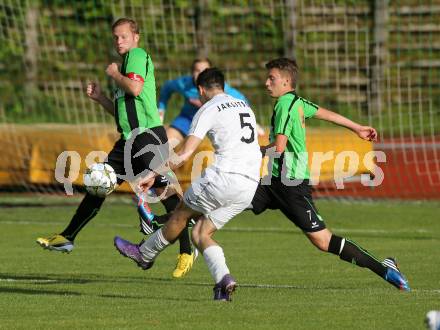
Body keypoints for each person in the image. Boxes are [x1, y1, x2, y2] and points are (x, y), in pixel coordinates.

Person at [249, 57, 410, 291]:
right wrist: (357, 127)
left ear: (286, 82)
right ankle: (189, 227)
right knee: (231, 200)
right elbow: (326, 114)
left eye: (271, 78)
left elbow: (279, 148)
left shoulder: (285, 103)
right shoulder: (297, 101)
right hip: (273, 181)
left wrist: (256, 150)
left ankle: (385, 268)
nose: (266, 83)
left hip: (291, 184)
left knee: (323, 241)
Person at [113, 68, 262, 301]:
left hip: (223, 177)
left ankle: (144, 254)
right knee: (202, 233)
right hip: (250, 185)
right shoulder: (244, 106)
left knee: (179, 215)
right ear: (222, 86)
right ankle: (223, 280)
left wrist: (153, 173)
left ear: (201, 90)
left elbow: (184, 153)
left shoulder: (208, 108)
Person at [36, 18, 171, 253]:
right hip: (129, 139)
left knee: (165, 192)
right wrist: (101, 99)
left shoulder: (136, 55)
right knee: (99, 185)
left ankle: (189, 242)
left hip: (146, 136)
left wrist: (115, 74)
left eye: (124, 37)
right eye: (116, 37)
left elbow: (135, 88)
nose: (119, 41)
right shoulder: (127, 65)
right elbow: (122, 114)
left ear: (136, 37)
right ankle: (67, 236)